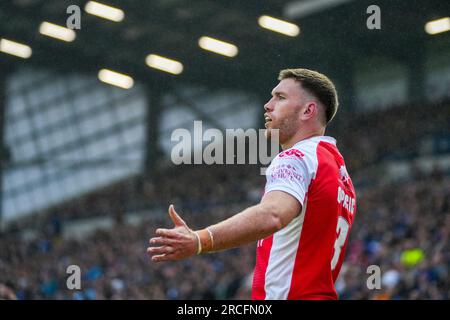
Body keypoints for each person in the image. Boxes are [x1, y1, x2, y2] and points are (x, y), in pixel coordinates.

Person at [147, 68, 357, 300]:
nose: (268, 105)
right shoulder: (339, 173)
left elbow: (272, 216)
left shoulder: (297, 158)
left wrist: (199, 240)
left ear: (308, 110)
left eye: (281, 97)